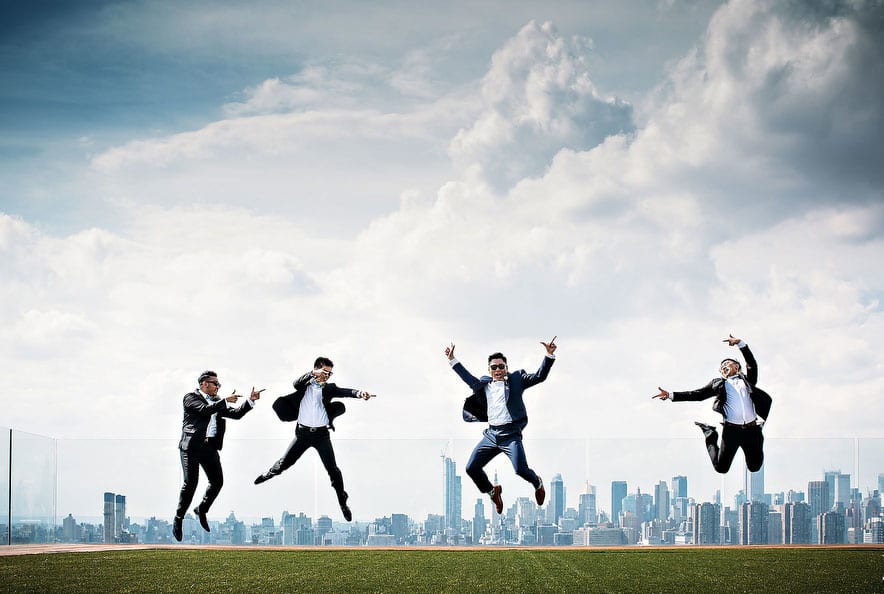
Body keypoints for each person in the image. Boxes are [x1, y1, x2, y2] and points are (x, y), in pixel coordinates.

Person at [254, 356, 374, 522]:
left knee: (333, 470)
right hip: (302, 435)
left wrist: (361, 394)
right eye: (325, 372)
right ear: (316, 369)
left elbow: (345, 392)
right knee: (285, 463)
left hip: (321, 436)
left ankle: (342, 502)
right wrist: (313, 374)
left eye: (330, 373)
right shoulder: (304, 385)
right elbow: (296, 383)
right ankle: (269, 473)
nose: (327, 376)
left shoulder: (329, 388)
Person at [444, 337, 557, 514]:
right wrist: (452, 360)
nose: (498, 370)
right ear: (489, 370)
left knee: (520, 469)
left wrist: (548, 356)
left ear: (506, 368)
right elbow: (467, 377)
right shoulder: (483, 384)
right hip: (491, 435)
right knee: (471, 468)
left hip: (511, 434)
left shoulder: (517, 379)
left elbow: (539, 377)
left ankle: (538, 483)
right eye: (494, 367)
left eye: (501, 366)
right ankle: (492, 492)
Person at [653, 334, 772, 474]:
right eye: (721, 367)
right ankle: (710, 433)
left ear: (737, 366)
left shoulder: (748, 381)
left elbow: (751, 364)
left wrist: (741, 343)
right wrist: (670, 395)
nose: (723, 367)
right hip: (731, 431)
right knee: (721, 468)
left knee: (755, 467)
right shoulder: (719, 384)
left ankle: (759, 435)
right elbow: (697, 394)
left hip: (752, 431)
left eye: (726, 363)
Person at [173, 370, 263, 542]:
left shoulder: (217, 402)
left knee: (217, 482)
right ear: (204, 384)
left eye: (218, 384)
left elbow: (236, 414)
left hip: (209, 447)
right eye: (216, 384)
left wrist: (250, 400)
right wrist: (224, 401)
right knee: (190, 483)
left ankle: (202, 509)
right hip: (191, 447)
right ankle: (178, 518)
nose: (218, 387)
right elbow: (204, 411)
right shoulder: (190, 398)